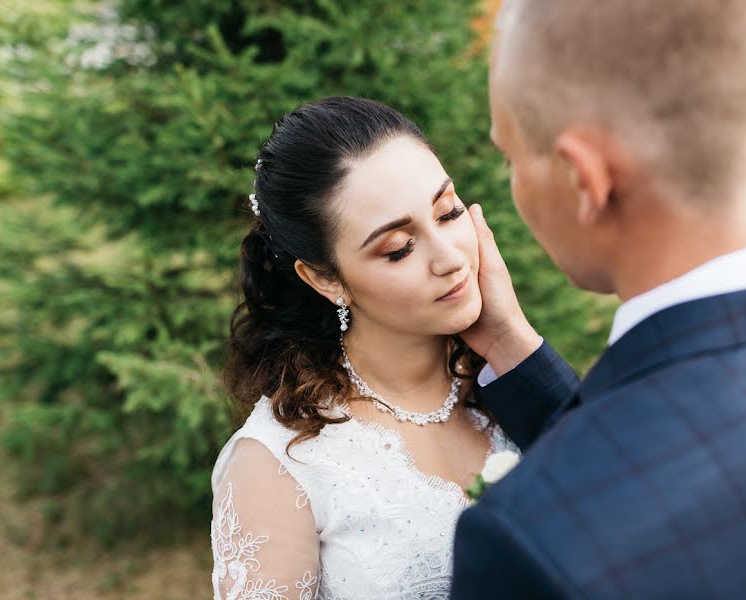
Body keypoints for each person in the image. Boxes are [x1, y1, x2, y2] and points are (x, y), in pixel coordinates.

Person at [450, 1, 746, 598]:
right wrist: (508, 345)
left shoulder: (532, 545)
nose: (511, 180)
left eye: (511, 157)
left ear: (585, 181)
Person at [210, 97, 519, 599]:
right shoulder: (281, 464)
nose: (448, 259)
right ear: (326, 278)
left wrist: (513, 343)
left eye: (448, 212)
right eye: (398, 248)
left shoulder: (510, 382)